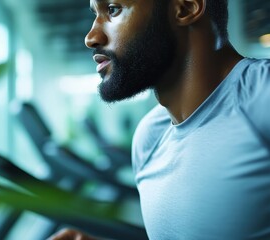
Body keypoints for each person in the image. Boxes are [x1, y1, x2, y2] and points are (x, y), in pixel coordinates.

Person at [49, 0, 270, 239]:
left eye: (113, 9)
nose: (91, 37)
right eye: (96, 14)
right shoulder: (148, 138)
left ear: (185, 8)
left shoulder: (261, 97)